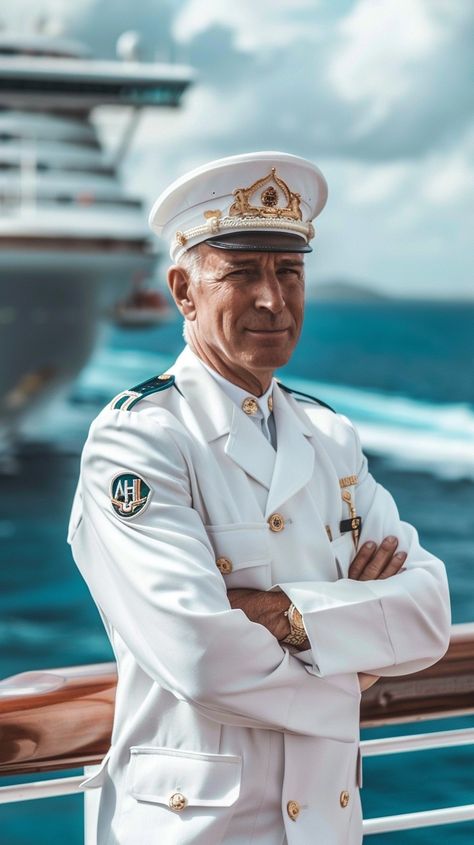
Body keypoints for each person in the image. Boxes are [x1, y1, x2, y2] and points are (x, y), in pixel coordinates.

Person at [68, 151, 451, 845]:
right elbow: (202, 656)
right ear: (183, 290)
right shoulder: (139, 440)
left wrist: (281, 615)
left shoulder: (330, 436)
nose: (273, 298)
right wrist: (354, 659)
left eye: (290, 271)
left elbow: (428, 612)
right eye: (242, 272)